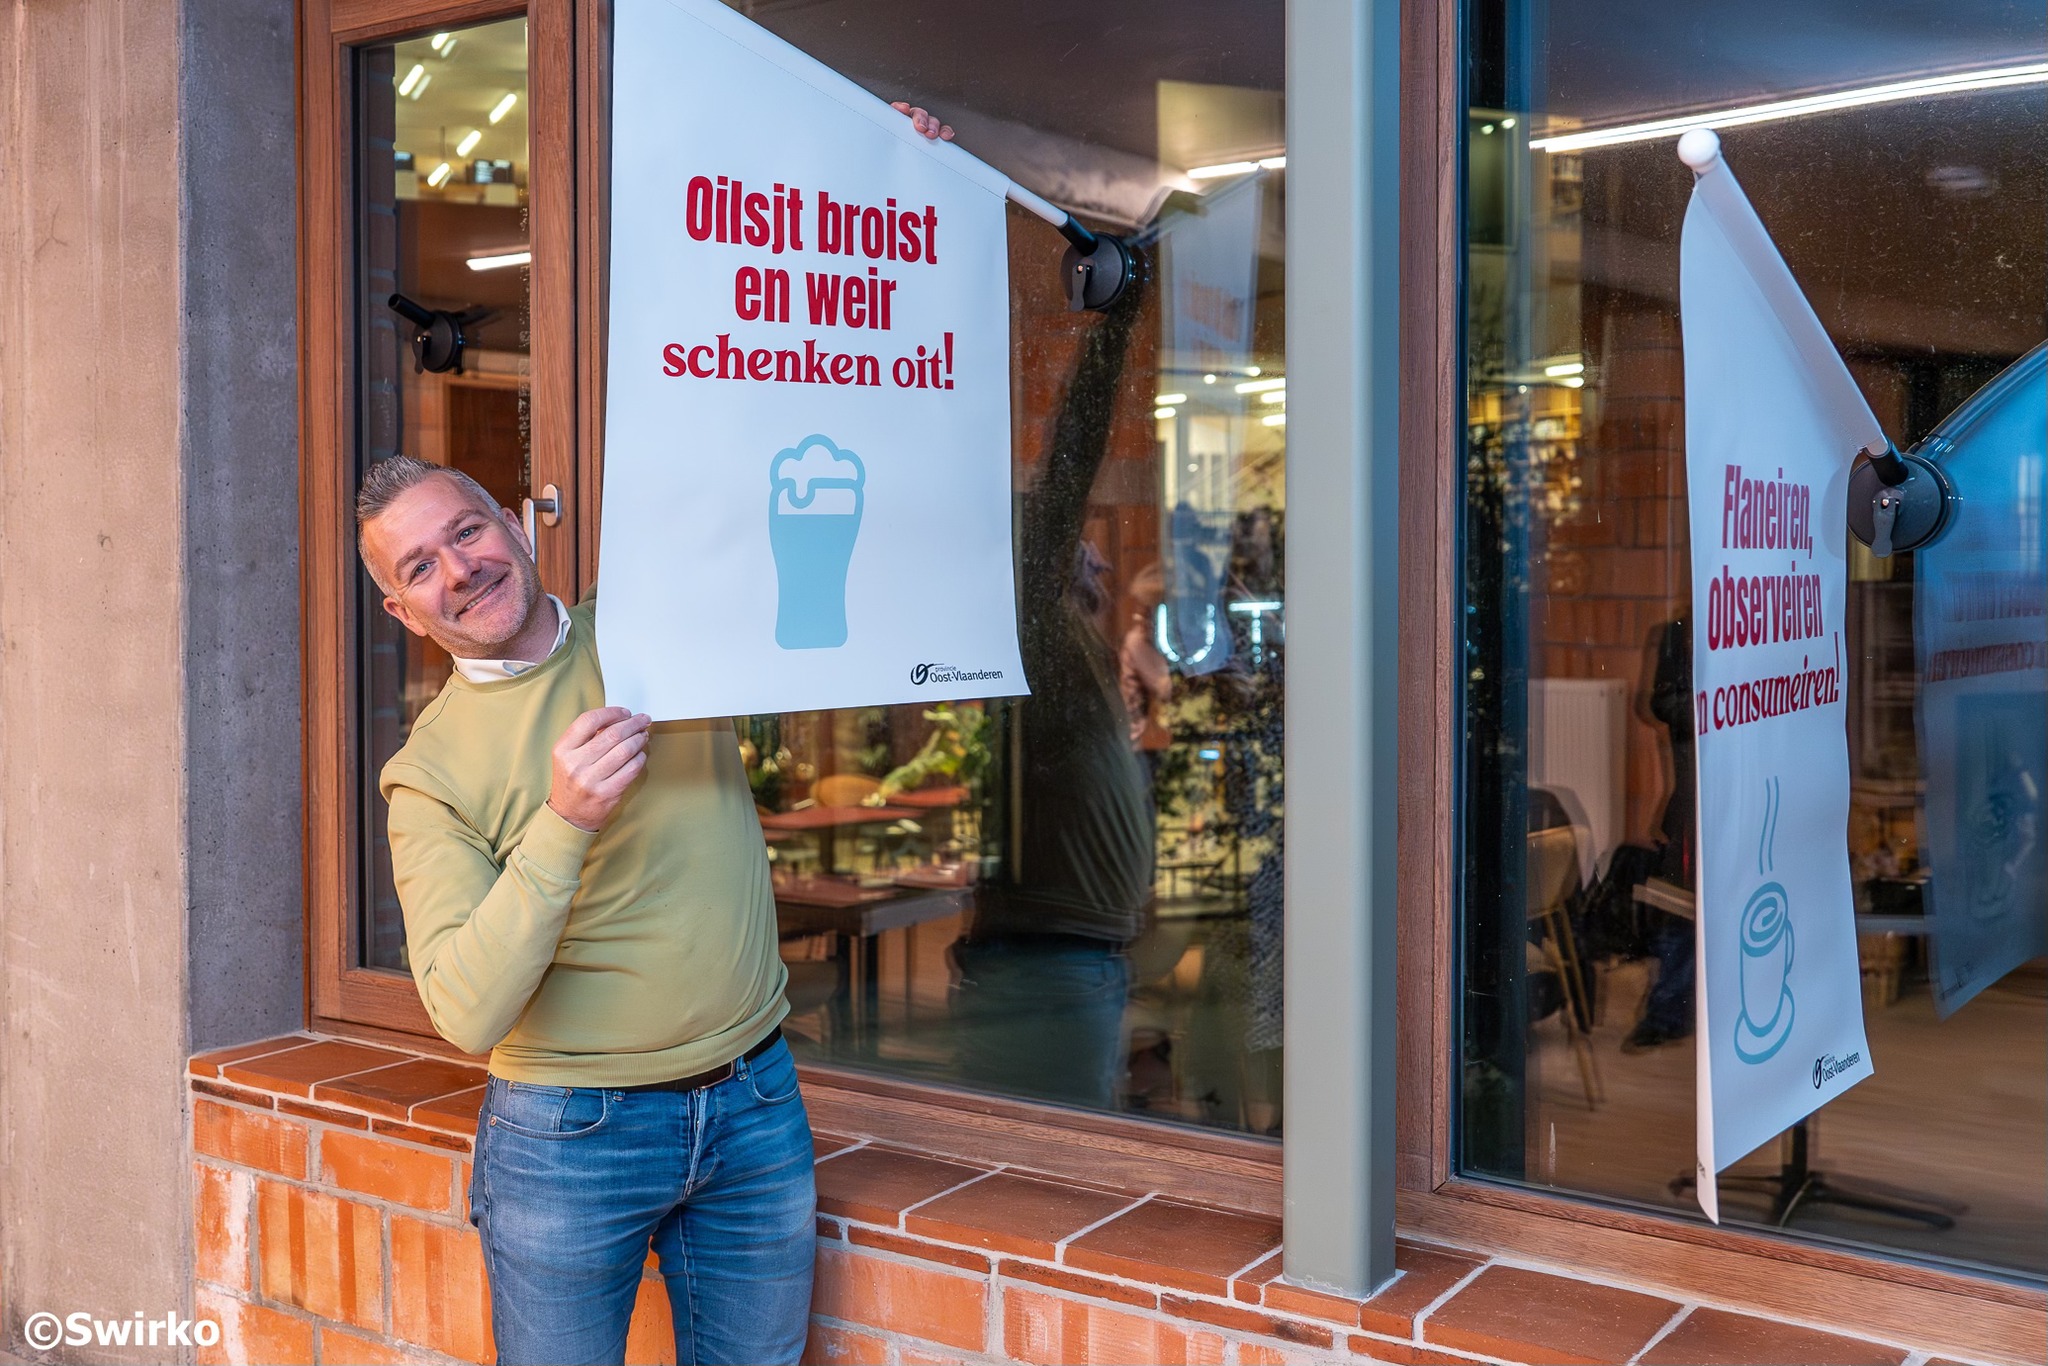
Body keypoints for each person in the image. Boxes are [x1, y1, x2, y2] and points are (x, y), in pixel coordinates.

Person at [360, 106, 955, 1366]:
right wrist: (566, 829)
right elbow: (465, 1007)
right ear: (402, 610)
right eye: (421, 566)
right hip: (566, 1136)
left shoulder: (663, 628)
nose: (458, 567)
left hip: (754, 1103)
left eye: (466, 530)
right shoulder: (424, 776)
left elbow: (777, 401)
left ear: (515, 520)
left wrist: (884, 180)